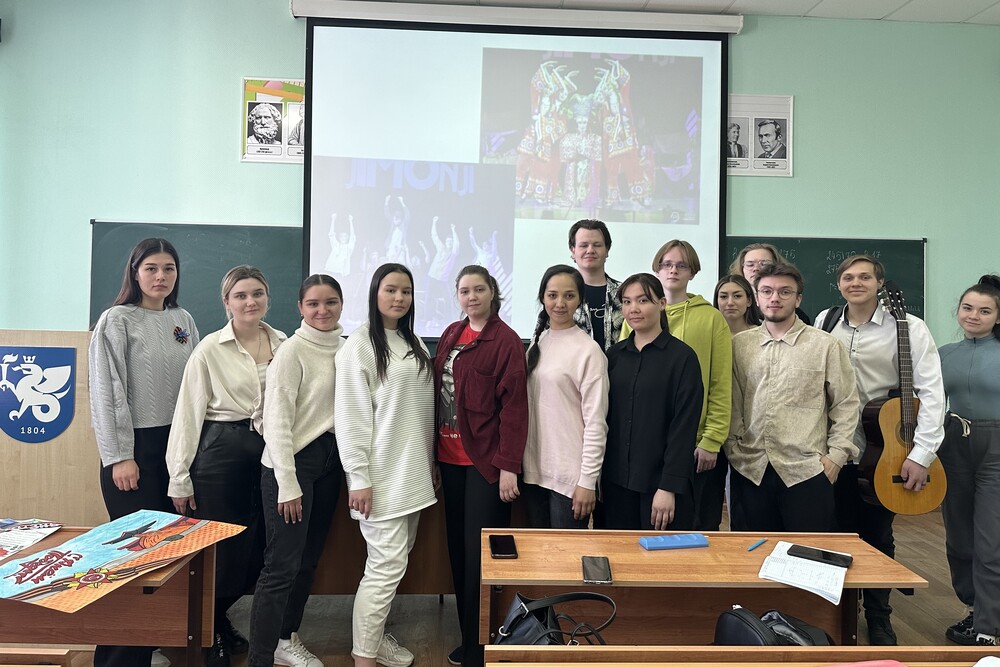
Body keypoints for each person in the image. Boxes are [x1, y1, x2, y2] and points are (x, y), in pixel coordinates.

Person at [815, 255, 945, 646]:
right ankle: (838, 614)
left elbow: (931, 393)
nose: (856, 283)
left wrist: (921, 454)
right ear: (839, 284)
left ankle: (878, 615)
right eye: (848, 277)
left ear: (880, 284)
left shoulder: (908, 327)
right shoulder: (825, 320)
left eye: (865, 277)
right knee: (833, 532)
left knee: (877, 534)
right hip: (833, 447)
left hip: (886, 448)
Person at [88, 237, 200, 667]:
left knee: (169, 556)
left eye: (169, 268)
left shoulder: (182, 319)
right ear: (135, 273)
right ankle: (117, 659)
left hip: (177, 449)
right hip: (134, 452)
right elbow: (107, 392)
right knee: (136, 559)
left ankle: (149, 645)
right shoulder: (117, 319)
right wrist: (119, 456)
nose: (160, 276)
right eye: (151, 268)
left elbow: (197, 386)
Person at [167, 265, 286, 667]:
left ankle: (217, 618)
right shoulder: (209, 349)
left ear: (267, 297)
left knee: (261, 550)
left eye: (257, 293)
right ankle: (211, 632)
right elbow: (188, 414)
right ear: (227, 302)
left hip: (269, 455)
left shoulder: (284, 343)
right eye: (241, 295)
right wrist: (179, 477)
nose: (250, 302)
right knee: (222, 551)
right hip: (220, 454)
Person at [335, 263, 436, 667]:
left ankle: (373, 641)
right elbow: (351, 418)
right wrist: (358, 478)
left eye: (405, 291)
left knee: (395, 563)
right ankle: (364, 656)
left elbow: (420, 412)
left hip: (412, 474)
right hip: (380, 478)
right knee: (384, 569)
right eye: (390, 290)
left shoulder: (412, 341)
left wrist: (430, 463)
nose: (398, 298)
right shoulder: (359, 345)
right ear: (375, 292)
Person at [247, 274, 346, 667]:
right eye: (313, 304)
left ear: (342, 304)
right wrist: (287, 484)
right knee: (281, 567)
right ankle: (259, 658)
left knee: (307, 561)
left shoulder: (348, 348)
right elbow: (276, 422)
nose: (323, 311)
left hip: (329, 463)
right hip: (290, 465)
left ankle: (285, 639)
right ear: (300, 308)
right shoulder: (291, 351)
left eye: (331, 302)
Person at [433, 264, 528, 667]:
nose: (471, 297)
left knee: (480, 558)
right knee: (458, 554)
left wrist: (508, 466)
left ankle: (482, 646)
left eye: (479, 290)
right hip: (449, 461)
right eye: (464, 291)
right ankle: (467, 638)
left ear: (492, 292)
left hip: (486, 465)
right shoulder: (451, 335)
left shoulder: (506, 341)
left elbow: (515, 410)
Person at [726, 262, 859, 533]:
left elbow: (845, 404)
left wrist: (836, 457)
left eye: (785, 292)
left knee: (807, 554)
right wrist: (733, 450)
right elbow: (732, 404)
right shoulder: (739, 345)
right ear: (756, 298)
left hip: (807, 471)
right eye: (767, 291)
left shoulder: (825, 345)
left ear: (798, 299)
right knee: (752, 553)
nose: (774, 298)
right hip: (751, 469)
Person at [618, 241, 732, 531]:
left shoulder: (710, 319)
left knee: (690, 529)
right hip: (637, 451)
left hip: (692, 443)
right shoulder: (625, 337)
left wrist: (712, 438)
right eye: (667, 264)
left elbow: (720, 383)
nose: (673, 270)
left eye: (681, 265)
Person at [604, 273, 703, 531]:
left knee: (660, 555)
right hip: (616, 485)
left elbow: (684, 428)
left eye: (643, 300)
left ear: (662, 303)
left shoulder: (682, 358)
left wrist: (668, 487)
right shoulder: (614, 356)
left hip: (660, 486)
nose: (633, 309)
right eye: (627, 302)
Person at [938, 275, 1000, 647]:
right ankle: (976, 608)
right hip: (953, 445)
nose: (974, 315)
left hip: (996, 449)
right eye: (968, 308)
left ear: (998, 317)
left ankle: (988, 628)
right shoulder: (944, 353)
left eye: (985, 310)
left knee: (990, 541)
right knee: (959, 539)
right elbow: (930, 402)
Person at [523, 265, 608, 529]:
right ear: (543, 297)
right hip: (533, 474)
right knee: (537, 553)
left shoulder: (588, 351)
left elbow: (596, 422)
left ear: (580, 300)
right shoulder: (538, 343)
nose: (560, 303)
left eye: (569, 296)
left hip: (569, 480)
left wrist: (587, 481)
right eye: (552, 295)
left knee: (566, 555)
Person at [568, 219, 623, 351]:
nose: (590, 250)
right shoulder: (561, 295)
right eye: (583, 245)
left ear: (607, 250)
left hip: (619, 364)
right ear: (573, 251)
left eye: (597, 245)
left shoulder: (624, 293)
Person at [729, 242, 812, 325]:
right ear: (742, 269)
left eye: (764, 264)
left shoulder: (796, 315)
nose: (756, 269)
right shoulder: (732, 307)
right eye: (750, 265)